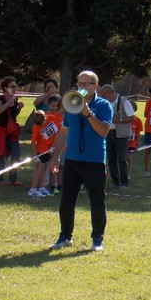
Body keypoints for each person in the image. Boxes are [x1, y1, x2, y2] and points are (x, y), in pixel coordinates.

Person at [49, 70, 112, 251]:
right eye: (79, 83)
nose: (82, 87)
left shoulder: (103, 105)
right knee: (66, 201)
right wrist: (56, 156)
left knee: (97, 201)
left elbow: (103, 131)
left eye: (86, 84)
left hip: (94, 161)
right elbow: (64, 132)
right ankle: (65, 236)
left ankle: (97, 239)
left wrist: (89, 113)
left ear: (95, 86)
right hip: (72, 160)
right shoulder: (71, 104)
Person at [0, 76, 24, 185]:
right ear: (5, 87)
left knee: (16, 154)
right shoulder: (0, 99)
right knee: (1, 155)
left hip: (11, 132)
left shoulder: (15, 99)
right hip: (0, 131)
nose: (14, 88)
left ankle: (13, 179)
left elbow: (12, 116)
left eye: (15, 86)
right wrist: (8, 103)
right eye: (12, 86)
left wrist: (19, 109)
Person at [99, 84, 135, 188]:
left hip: (121, 134)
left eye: (104, 95)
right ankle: (115, 181)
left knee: (122, 159)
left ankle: (124, 182)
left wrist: (119, 120)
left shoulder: (124, 102)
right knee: (111, 159)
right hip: (108, 133)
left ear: (110, 93)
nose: (102, 97)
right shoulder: (104, 103)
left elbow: (132, 118)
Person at [28, 110, 60, 198]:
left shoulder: (52, 118)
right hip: (41, 150)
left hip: (49, 149)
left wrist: (52, 147)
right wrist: (36, 155)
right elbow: (33, 142)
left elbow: (56, 133)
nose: (41, 126)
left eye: (42, 123)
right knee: (39, 168)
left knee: (44, 168)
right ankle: (33, 189)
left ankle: (41, 188)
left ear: (45, 118)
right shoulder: (36, 127)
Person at [47, 95, 63, 194]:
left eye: (58, 106)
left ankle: (60, 186)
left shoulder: (65, 117)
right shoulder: (52, 117)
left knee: (61, 167)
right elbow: (47, 134)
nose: (56, 108)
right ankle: (53, 186)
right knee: (53, 166)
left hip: (64, 147)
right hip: (53, 146)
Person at [127, 100, 143, 179]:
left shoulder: (138, 121)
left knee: (129, 158)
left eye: (132, 108)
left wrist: (138, 143)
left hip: (132, 143)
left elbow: (138, 133)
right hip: (123, 142)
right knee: (122, 159)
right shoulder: (124, 119)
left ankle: (128, 173)